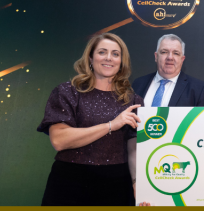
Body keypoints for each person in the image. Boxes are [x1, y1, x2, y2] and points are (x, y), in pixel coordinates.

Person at [37, 33, 141, 206]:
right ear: (90, 58)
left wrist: (137, 182)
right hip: (69, 182)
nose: (109, 58)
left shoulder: (133, 101)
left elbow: (133, 149)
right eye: (102, 52)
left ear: (122, 62)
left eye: (115, 54)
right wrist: (111, 125)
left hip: (116, 185)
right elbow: (59, 140)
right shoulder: (68, 92)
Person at [131, 34, 204, 108]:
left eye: (176, 53)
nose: (170, 57)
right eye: (164, 52)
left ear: (182, 59)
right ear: (156, 56)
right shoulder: (138, 84)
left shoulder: (198, 89)